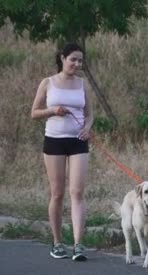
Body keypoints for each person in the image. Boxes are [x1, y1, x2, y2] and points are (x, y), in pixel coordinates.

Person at [30, 42, 94, 261]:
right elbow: (34, 112)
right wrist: (52, 111)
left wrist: (87, 128)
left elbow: (90, 114)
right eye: (73, 59)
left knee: (77, 192)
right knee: (57, 193)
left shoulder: (82, 84)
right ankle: (57, 242)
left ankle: (78, 245)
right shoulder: (48, 83)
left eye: (80, 60)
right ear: (62, 58)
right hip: (54, 141)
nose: (77, 64)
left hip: (78, 142)